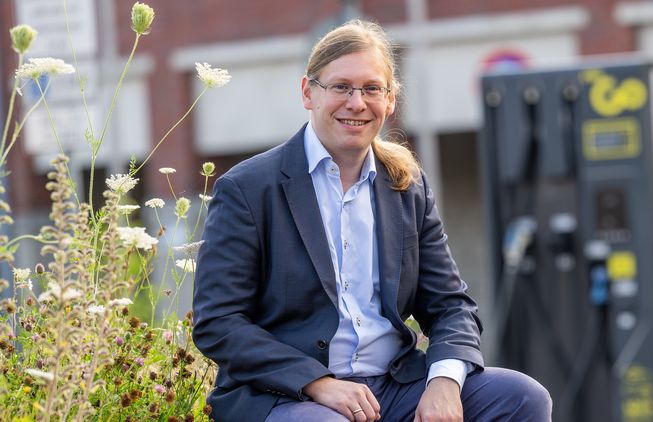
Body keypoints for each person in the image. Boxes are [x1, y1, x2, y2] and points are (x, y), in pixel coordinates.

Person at [192, 19, 551, 422]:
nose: (356, 102)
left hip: (394, 387)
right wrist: (317, 383)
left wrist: (444, 381)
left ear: (391, 98)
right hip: (288, 395)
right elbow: (218, 322)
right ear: (308, 92)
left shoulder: (407, 185)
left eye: (371, 88)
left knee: (523, 397)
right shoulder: (248, 188)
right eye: (341, 87)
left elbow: (450, 305)